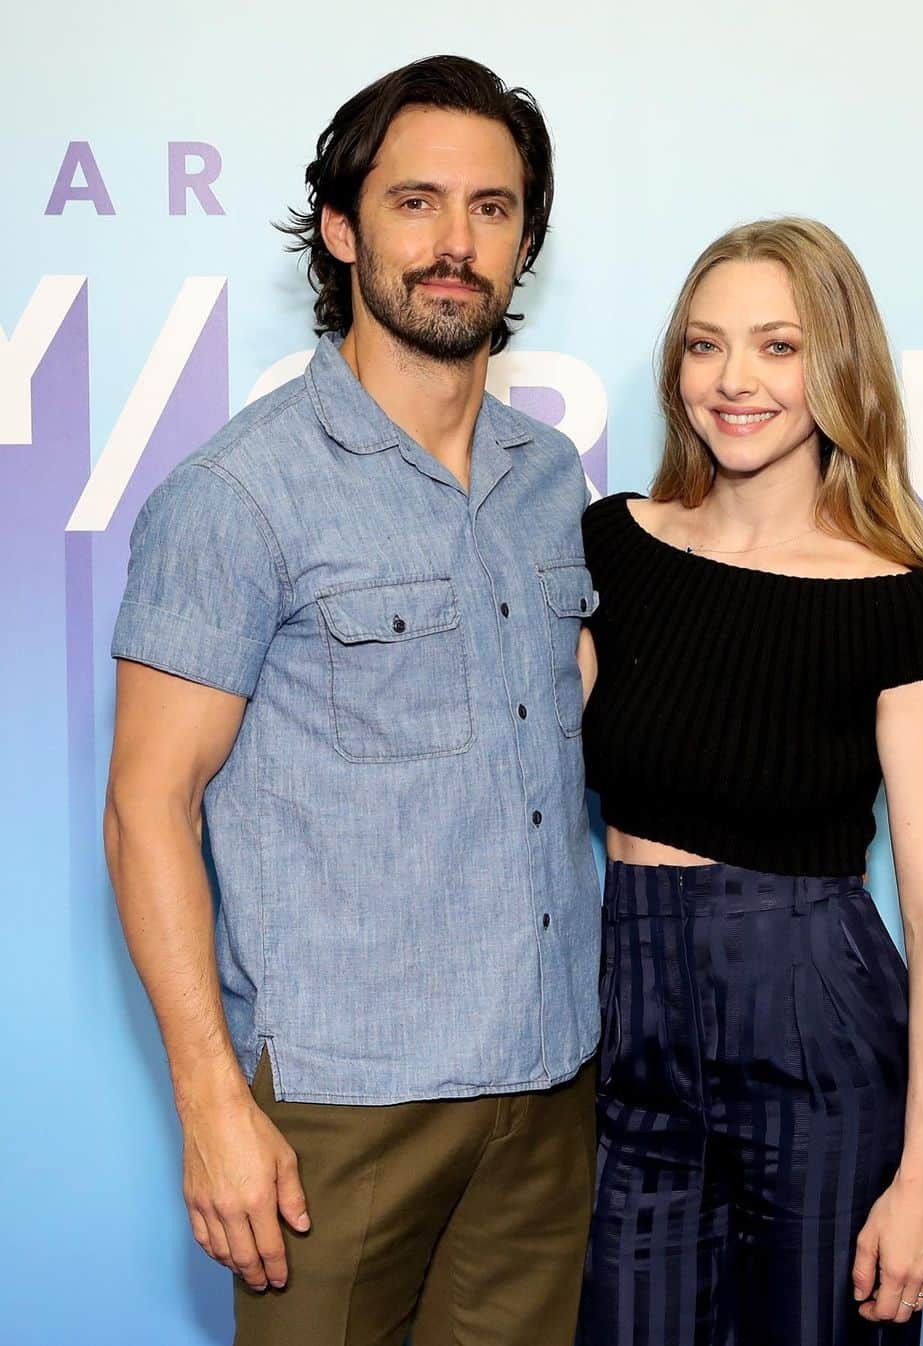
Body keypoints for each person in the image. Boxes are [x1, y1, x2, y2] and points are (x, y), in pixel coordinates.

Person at [104, 54, 600, 1346]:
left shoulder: (555, 477)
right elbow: (146, 804)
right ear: (342, 228)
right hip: (339, 1104)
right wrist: (213, 1100)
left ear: (524, 240)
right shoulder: (237, 495)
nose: (456, 242)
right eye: (416, 201)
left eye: (492, 208)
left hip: (547, 1090)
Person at [576, 217, 923, 1345]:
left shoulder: (894, 600)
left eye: (777, 346)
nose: (734, 379)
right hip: (628, 1029)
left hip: (818, 1031)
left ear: (836, 366)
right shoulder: (613, 547)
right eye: (705, 346)